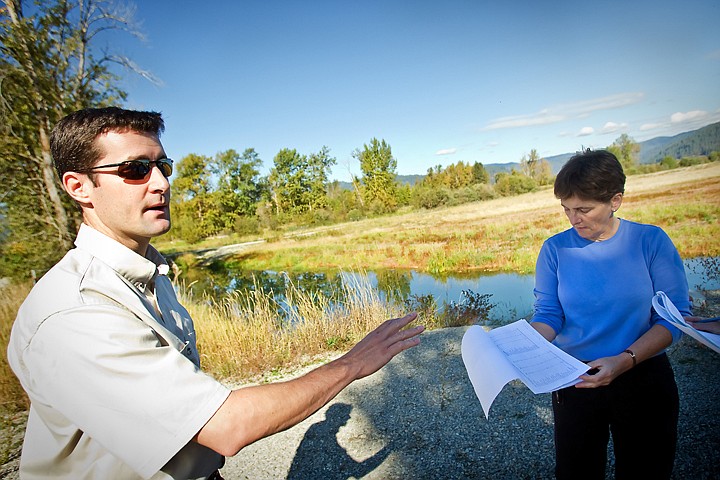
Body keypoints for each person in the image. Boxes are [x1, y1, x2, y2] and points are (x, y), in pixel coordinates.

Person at [6, 107, 424, 480]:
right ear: (79, 187)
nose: (160, 183)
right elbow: (226, 426)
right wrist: (353, 363)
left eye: (162, 166)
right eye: (135, 169)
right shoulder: (74, 312)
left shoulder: (149, 270)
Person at [529, 149, 691, 480]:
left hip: (643, 375)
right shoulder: (554, 249)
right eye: (566, 209)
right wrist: (523, 344)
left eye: (584, 209)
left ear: (615, 200)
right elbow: (548, 314)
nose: (573, 219)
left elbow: (674, 319)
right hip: (575, 379)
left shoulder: (651, 241)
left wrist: (625, 360)